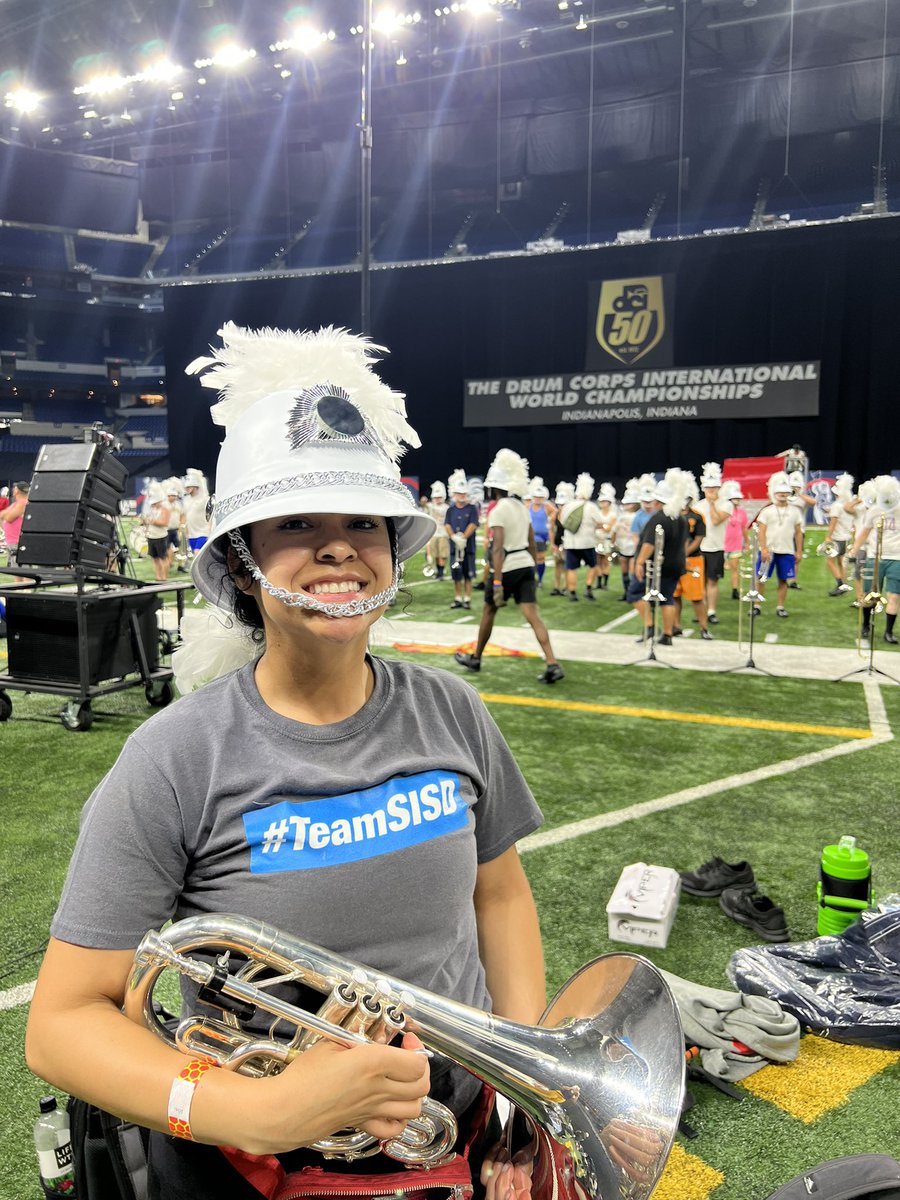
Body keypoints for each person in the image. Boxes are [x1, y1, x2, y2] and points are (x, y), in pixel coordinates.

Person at [25, 324, 548, 1200]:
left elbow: (499, 896)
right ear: (241, 561)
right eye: (297, 522)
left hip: (452, 1132)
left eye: (362, 522)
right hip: (255, 1167)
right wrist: (249, 1107)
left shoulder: (452, 710)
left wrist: (523, 1084)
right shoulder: (172, 758)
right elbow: (61, 1024)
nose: (338, 547)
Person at [454, 448, 564, 683]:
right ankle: (552, 663)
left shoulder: (498, 509)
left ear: (494, 488)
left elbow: (497, 547)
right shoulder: (522, 508)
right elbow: (532, 542)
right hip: (525, 564)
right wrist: (532, 569)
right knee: (533, 616)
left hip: (506, 567)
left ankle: (476, 658)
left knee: (489, 611)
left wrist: (496, 581)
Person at [627, 471, 689, 645]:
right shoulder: (680, 518)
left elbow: (649, 544)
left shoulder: (659, 518)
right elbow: (685, 542)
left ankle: (650, 626)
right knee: (667, 598)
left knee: (634, 593)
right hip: (675, 563)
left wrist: (639, 562)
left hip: (657, 565)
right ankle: (668, 635)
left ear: (659, 501)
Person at [850, 474, 900, 645]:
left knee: (894, 596)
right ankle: (866, 625)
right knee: (869, 595)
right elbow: (864, 532)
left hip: (896, 558)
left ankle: (888, 632)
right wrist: (854, 550)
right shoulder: (874, 510)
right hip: (875, 557)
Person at [753, 472, 804, 619]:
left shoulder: (795, 511)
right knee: (761, 578)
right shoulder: (767, 511)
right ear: (774, 493)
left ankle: (780, 606)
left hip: (786, 550)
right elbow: (761, 531)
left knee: (783, 580)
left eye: (785, 491)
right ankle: (757, 605)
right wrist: (763, 548)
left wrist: (799, 551)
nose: (782, 494)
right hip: (768, 551)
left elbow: (798, 533)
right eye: (780, 492)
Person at [693, 462, 730, 625]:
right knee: (699, 582)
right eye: (708, 488)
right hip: (700, 548)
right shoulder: (697, 506)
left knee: (712, 581)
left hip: (716, 548)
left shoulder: (726, 504)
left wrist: (713, 504)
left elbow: (716, 520)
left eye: (714, 487)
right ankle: (701, 609)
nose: (711, 490)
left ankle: (711, 611)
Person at [559, 472, 602, 602]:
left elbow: (562, 521)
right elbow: (600, 522)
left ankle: (572, 593)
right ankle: (588, 589)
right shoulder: (591, 506)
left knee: (571, 568)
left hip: (570, 542)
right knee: (593, 566)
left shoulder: (568, 505)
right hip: (587, 542)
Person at [445, 468, 479, 610]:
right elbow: (447, 524)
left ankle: (467, 598)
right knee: (456, 574)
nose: (461, 496)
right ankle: (458, 597)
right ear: (454, 494)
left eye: (463, 493)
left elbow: (473, 524)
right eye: (459, 493)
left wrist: (463, 538)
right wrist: (454, 537)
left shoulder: (472, 508)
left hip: (468, 547)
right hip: (454, 547)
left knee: (468, 574)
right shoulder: (450, 509)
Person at [824, 473, 854, 597]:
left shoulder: (837, 506)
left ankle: (840, 584)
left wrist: (828, 537)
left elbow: (833, 523)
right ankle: (844, 584)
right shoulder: (848, 505)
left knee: (830, 562)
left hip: (837, 537)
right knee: (841, 563)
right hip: (845, 537)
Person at [720, 480, 749, 600]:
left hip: (736, 545)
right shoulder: (722, 511)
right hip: (722, 545)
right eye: (735, 498)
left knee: (735, 569)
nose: (737, 500)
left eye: (738, 498)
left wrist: (747, 542)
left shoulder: (742, 512)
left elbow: (744, 528)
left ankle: (735, 590)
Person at [526, 477, 555, 588]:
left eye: (540, 497)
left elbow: (556, 513)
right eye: (536, 497)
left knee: (541, 558)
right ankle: (530, 578)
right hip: (530, 537)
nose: (537, 499)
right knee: (529, 558)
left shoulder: (547, 506)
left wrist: (551, 520)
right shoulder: (528, 506)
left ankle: (540, 579)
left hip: (542, 537)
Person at [143, 483, 172, 581]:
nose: (154, 505)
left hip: (161, 537)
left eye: (155, 503)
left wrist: (153, 521)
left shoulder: (165, 510)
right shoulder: (151, 510)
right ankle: (158, 577)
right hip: (151, 536)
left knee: (163, 558)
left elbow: (165, 523)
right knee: (155, 558)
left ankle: (164, 577)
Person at [182, 467, 212, 557]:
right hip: (191, 534)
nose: (187, 488)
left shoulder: (203, 499)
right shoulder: (186, 500)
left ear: (195, 487)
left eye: (189, 486)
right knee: (196, 557)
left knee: (197, 553)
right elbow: (186, 516)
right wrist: (186, 531)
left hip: (203, 532)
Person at [0, 480, 29, 565]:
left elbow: (9, 518)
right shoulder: (15, 504)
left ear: (17, 490)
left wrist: (6, 515)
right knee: (14, 570)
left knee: (21, 570)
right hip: (11, 542)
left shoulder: (23, 503)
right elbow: (1, 515)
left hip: (18, 543)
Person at [426, 479, 449, 580]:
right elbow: (424, 505)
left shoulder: (447, 507)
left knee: (442, 554)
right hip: (434, 534)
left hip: (443, 534)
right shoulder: (430, 507)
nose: (437, 499)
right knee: (435, 554)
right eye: (436, 497)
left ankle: (441, 572)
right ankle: (438, 571)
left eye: (439, 497)